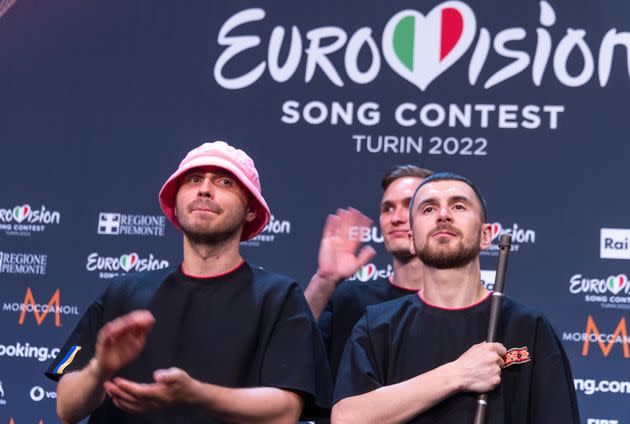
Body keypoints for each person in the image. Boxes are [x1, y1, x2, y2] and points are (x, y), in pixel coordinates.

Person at [46, 141, 331, 424]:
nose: (205, 189)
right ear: (176, 200)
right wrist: (99, 370)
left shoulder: (278, 297)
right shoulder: (123, 292)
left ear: (251, 211)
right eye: (194, 179)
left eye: (225, 182)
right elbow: (66, 409)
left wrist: (196, 394)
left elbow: (284, 412)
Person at [332, 172, 580, 423]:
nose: (443, 215)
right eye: (428, 209)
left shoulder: (527, 327)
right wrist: (458, 373)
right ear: (412, 241)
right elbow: (346, 418)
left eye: (458, 206)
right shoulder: (377, 326)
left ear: (486, 236)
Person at [304, 165, 433, 381]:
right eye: (388, 208)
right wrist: (324, 281)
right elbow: (288, 350)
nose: (396, 218)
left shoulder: (461, 308)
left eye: (410, 205)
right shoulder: (348, 299)